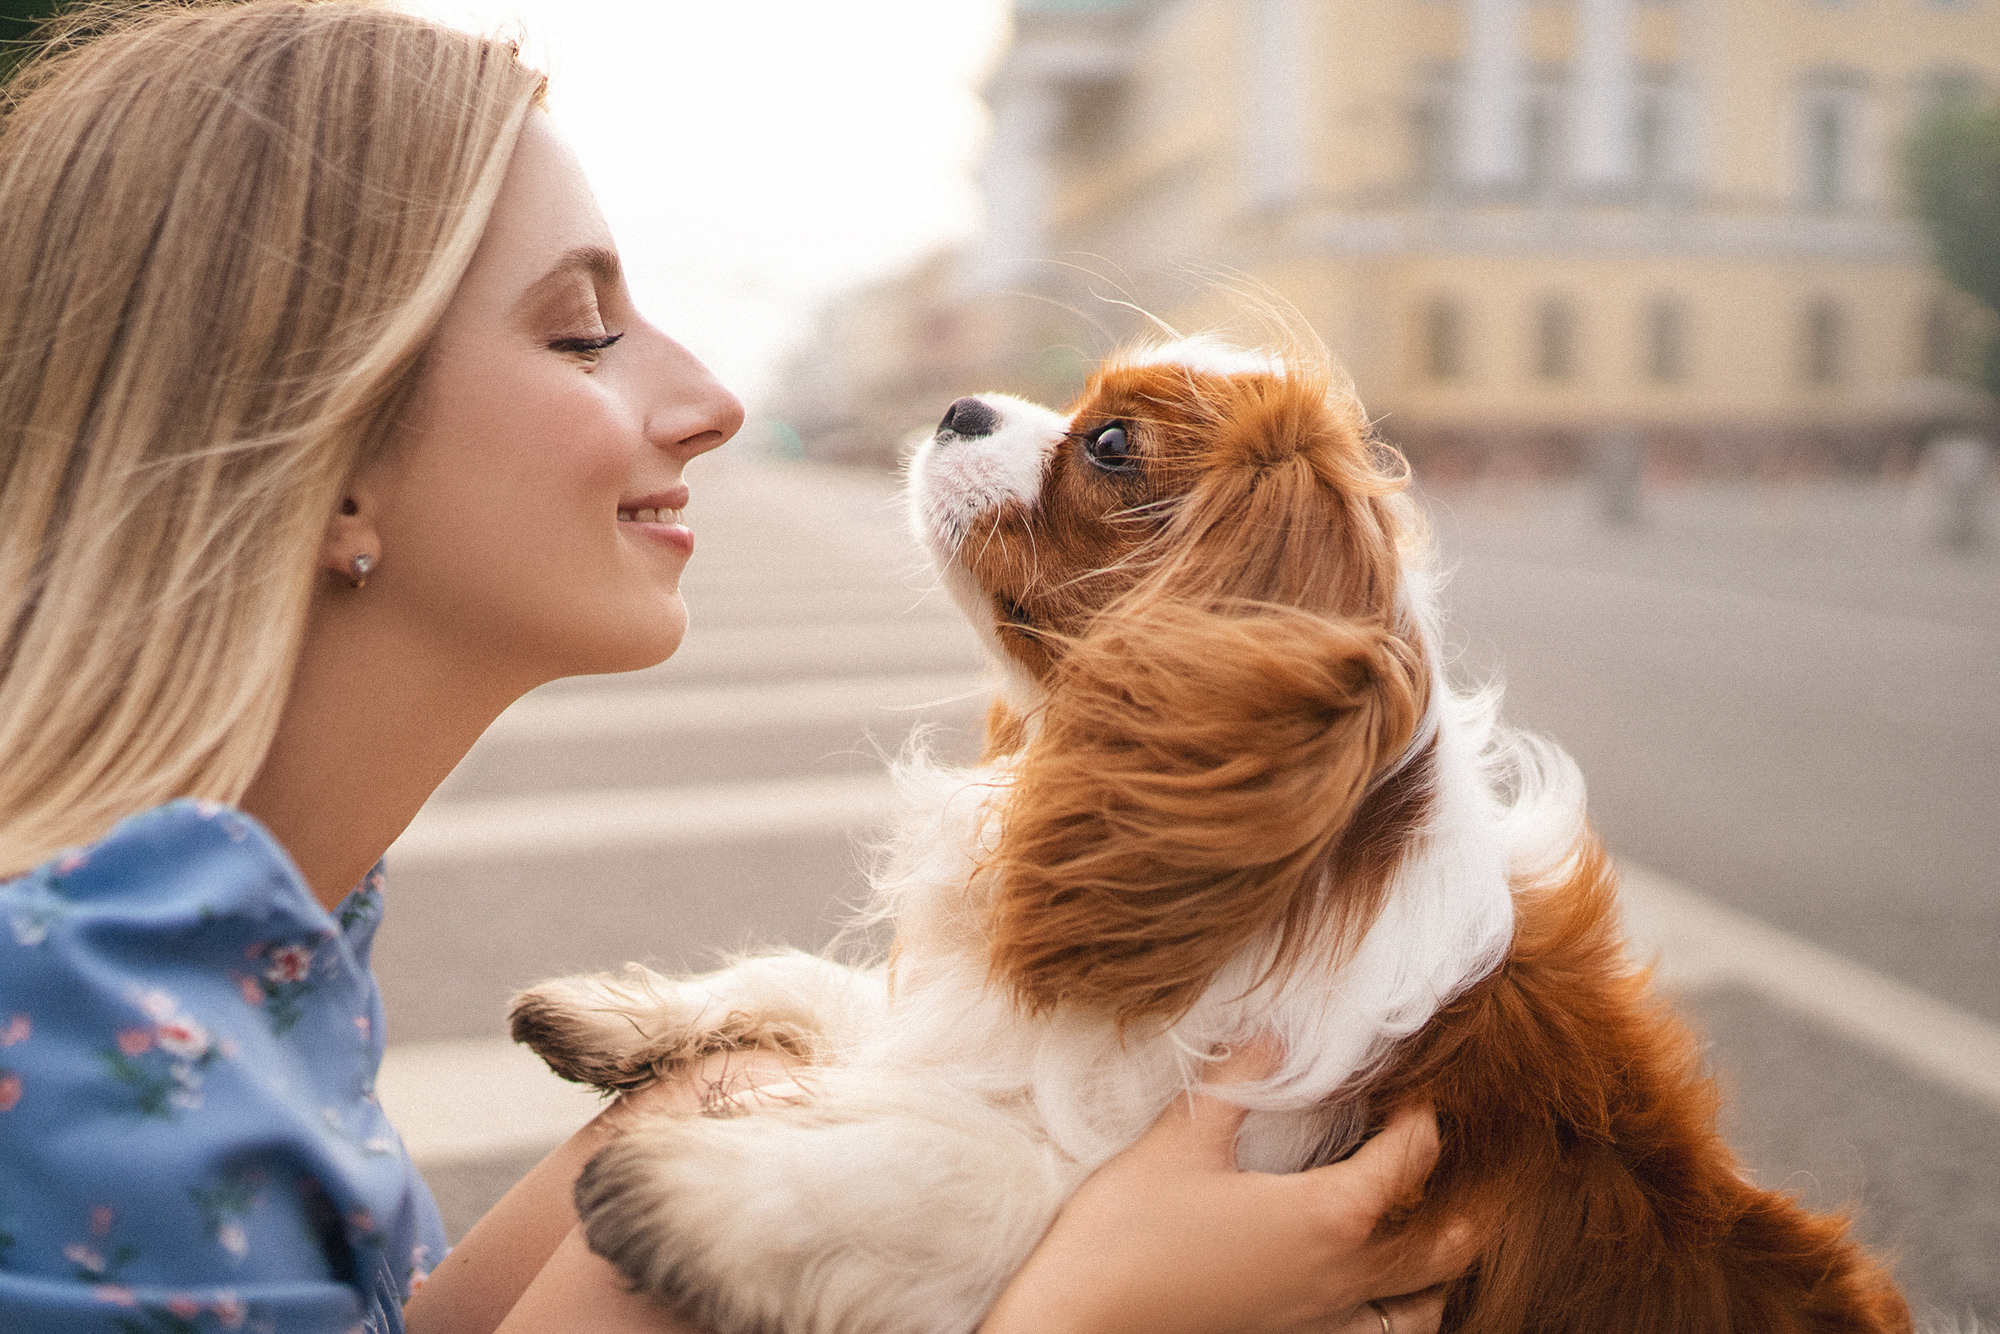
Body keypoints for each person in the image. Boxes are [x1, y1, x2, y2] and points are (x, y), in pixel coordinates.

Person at [0, 4, 1475, 1332]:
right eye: (584, 333)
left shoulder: (219, 928)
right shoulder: (99, 1036)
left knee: (742, 1103)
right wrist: (1084, 1302)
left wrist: (734, 1083)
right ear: (327, 464)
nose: (710, 400)